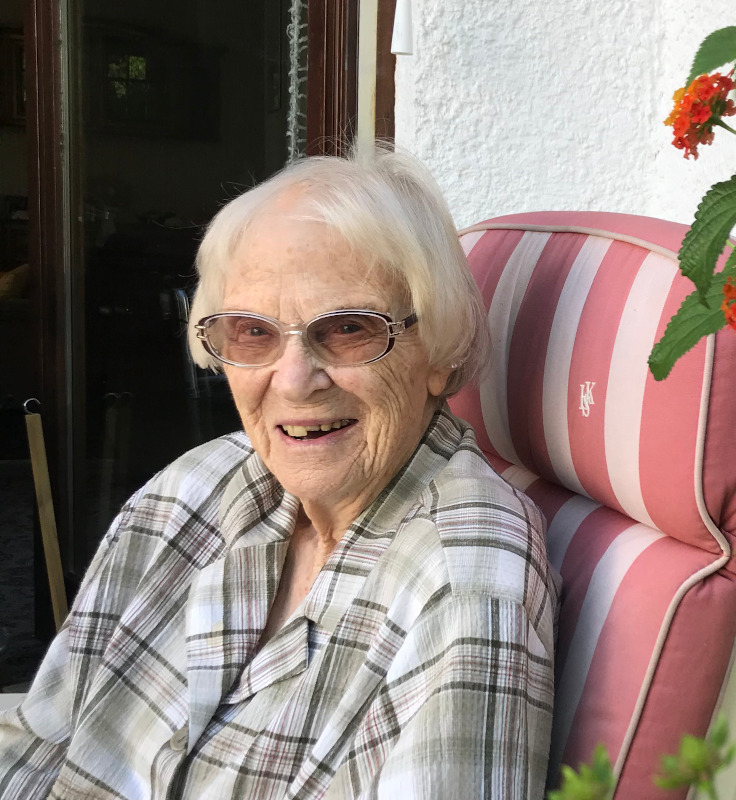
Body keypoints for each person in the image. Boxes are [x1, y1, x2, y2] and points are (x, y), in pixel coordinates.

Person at [0, 146, 557, 798]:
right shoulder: (195, 488)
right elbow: (44, 741)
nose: (293, 382)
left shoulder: (466, 573)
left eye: (349, 328)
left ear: (438, 349)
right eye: (252, 333)